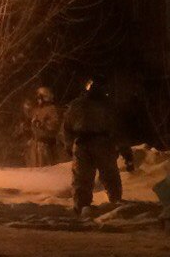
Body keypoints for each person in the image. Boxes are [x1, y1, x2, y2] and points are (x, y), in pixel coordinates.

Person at [62, 74, 135, 215]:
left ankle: (111, 206)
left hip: (96, 143)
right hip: (89, 144)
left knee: (97, 177)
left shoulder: (101, 106)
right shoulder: (82, 105)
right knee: (89, 178)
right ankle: (85, 208)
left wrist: (68, 145)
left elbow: (66, 128)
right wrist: (126, 153)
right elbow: (67, 127)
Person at [23, 86, 62, 167]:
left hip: (46, 145)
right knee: (35, 169)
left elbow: (54, 126)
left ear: (45, 98)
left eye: (40, 98)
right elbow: (30, 117)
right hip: (36, 144)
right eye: (37, 98)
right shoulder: (38, 109)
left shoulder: (51, 109)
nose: (38, 100)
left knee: (46, 169)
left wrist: (42, 125)